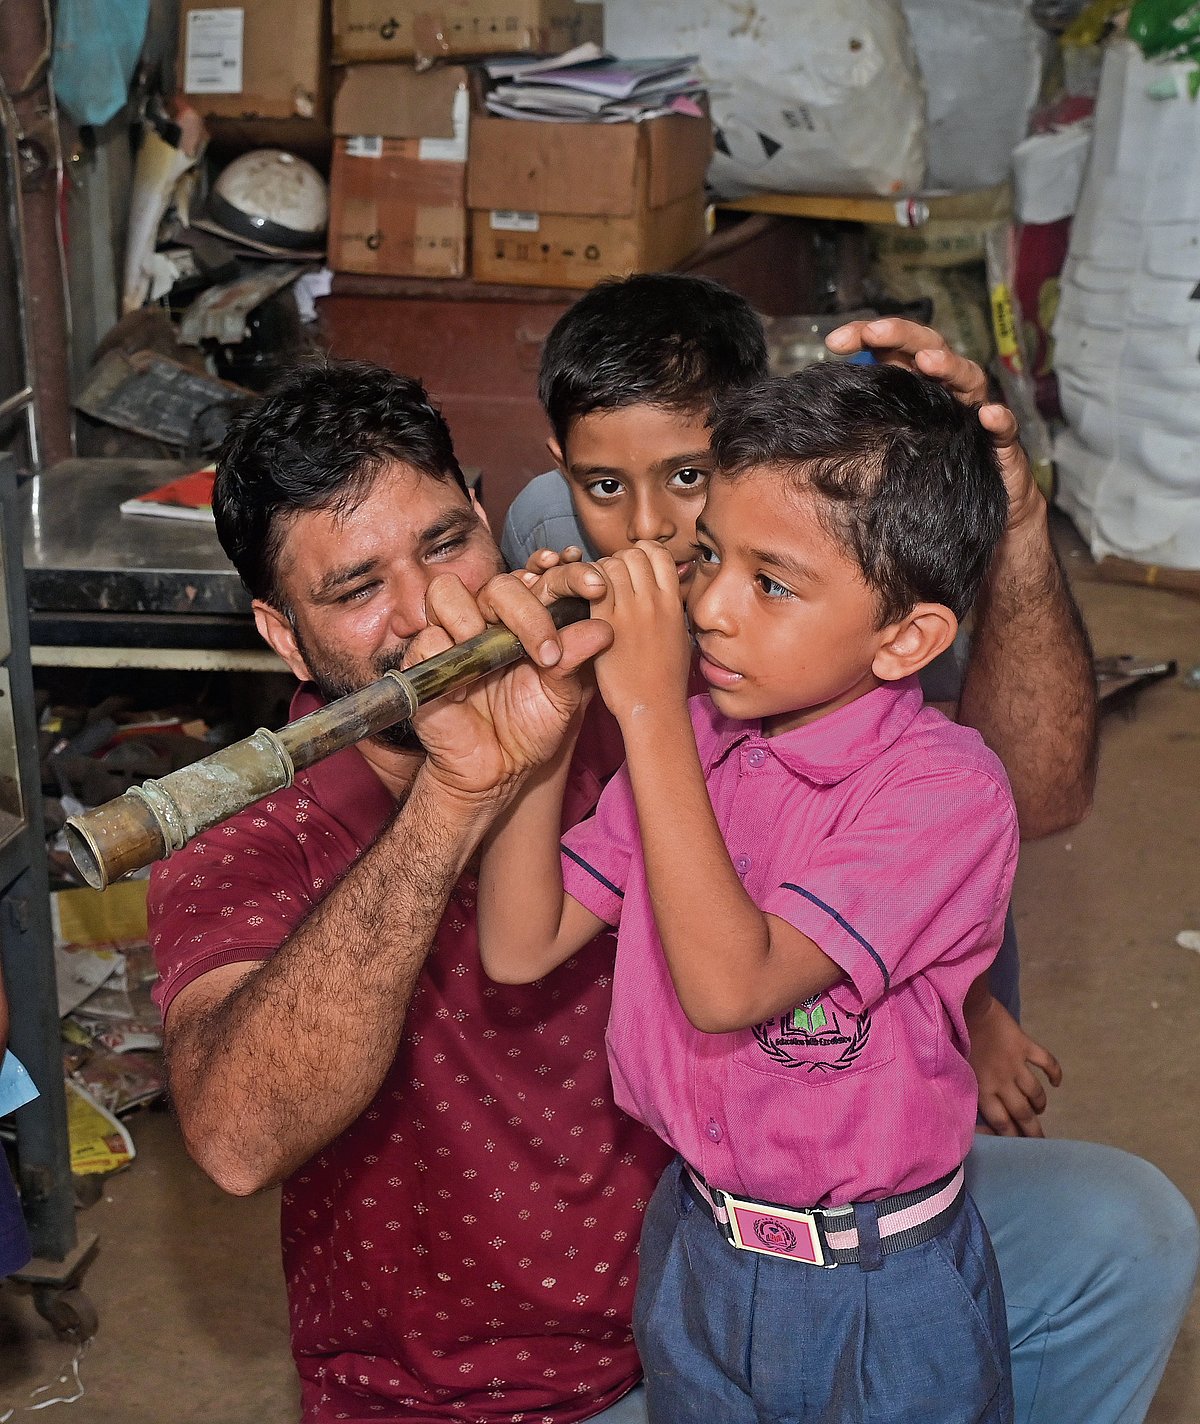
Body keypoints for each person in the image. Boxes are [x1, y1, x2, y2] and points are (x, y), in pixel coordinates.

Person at [148, 335, 1196, 1423]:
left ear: (488, 511)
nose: (423, 614)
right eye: (359, 587)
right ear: (282, 631)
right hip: (556, 1364)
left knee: (1124, 1231)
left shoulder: (717, 683)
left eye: (447, 543)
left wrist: (1013, 521)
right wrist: (493, 775)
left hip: (837, 1256)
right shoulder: (250, 835)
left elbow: (1009, 793)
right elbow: (258, 1123)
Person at [479, 360, 1019, 1422]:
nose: (710, 606)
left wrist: (641, 712)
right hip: (697, 1245)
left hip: (877, 1288)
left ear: (905, 637)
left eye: (770, 582)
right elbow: (520, 940)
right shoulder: (691, 744)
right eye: (710, 555)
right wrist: (538, 739)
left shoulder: (945, 792)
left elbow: (734, 985)